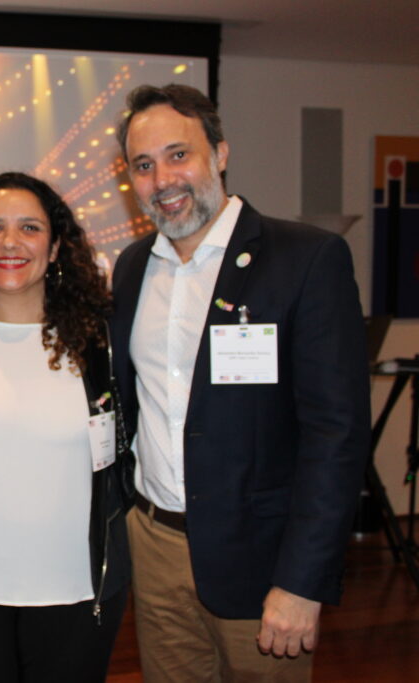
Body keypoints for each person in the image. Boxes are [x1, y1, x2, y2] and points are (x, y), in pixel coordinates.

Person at [111, 84, 370, 681]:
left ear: (220, 154)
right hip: (154, 547)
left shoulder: (305, 259)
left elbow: (337, 434)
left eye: (179, 155)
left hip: (262, 559)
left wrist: (301, 582)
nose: (163, 178)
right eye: (143, 165)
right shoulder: (130, 269)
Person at [0, 172, 132, 682]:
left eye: (29, 228)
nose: (10, 242)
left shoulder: (100, 339)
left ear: (55, 248)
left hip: (77, 592)